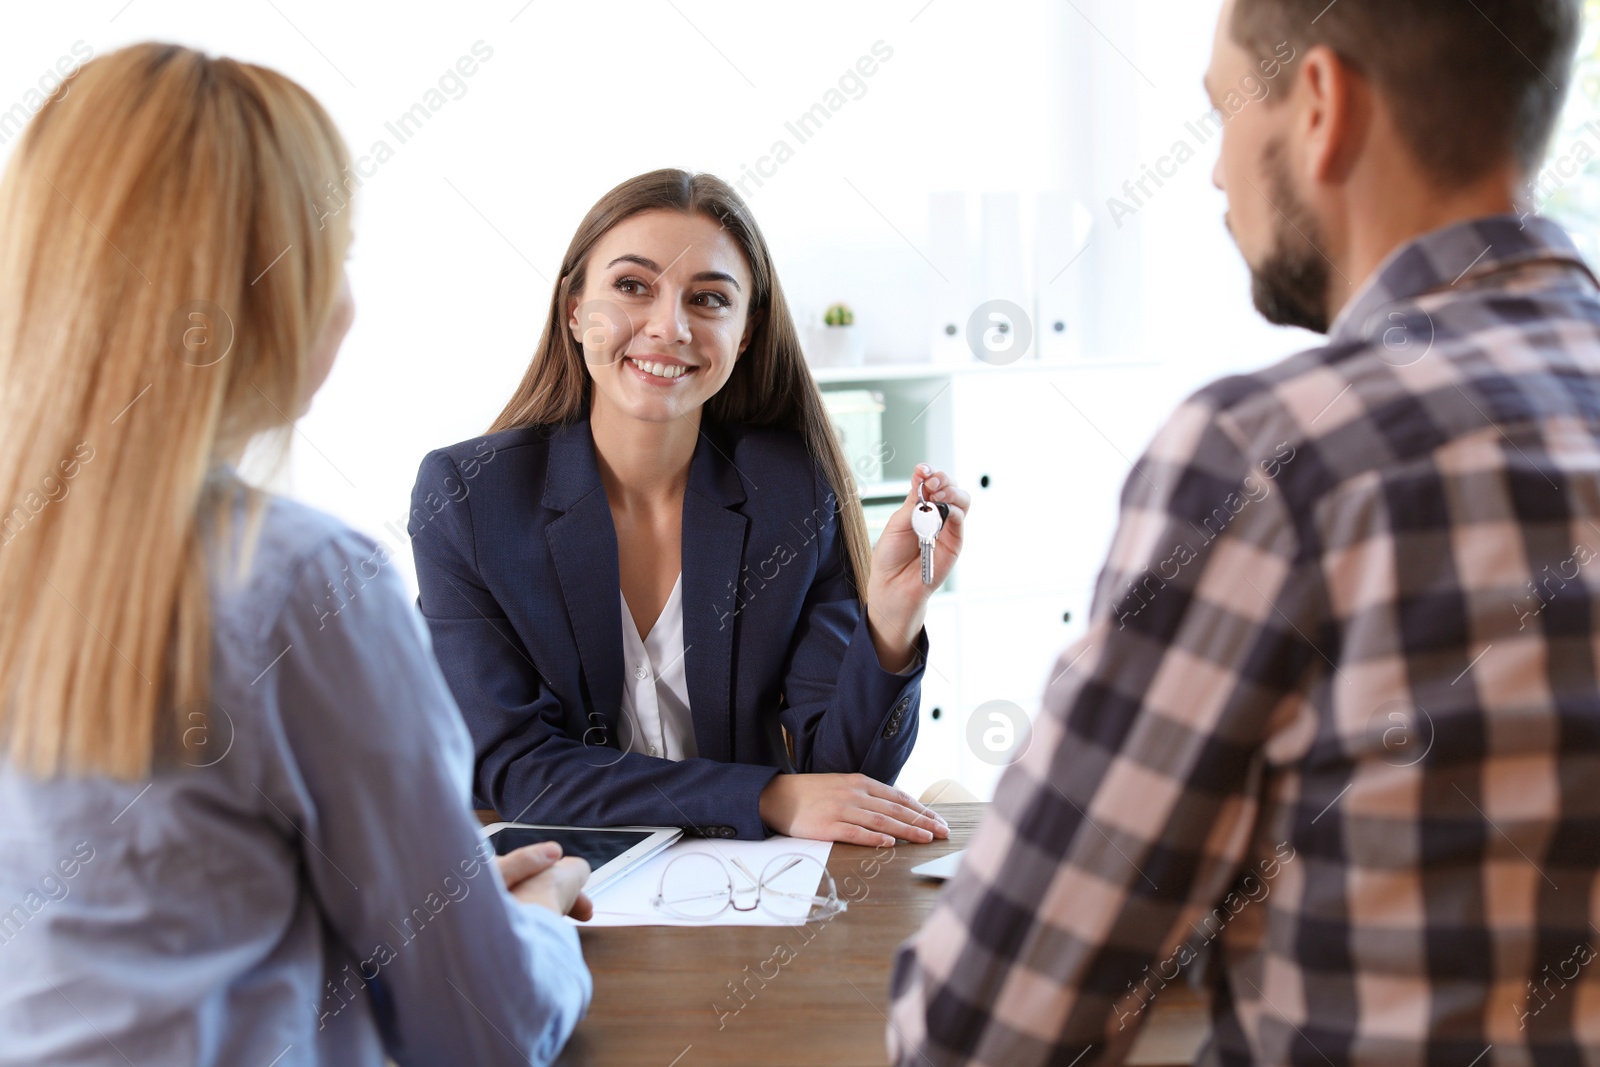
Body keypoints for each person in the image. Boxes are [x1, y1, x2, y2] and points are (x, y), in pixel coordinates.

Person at [889, 0, 1597, 1063]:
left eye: (1224, 111)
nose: (1216, 173)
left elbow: (982, 1031)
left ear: (1319, 106)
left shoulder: (1273, 457)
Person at [0, 44, 592, 1066]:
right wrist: (535, 924)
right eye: (334, 253)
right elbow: (481, 1030)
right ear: (263, 297)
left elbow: (155, 929)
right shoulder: (297, 582)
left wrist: (437, 920)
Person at [408, 169, 968, 845]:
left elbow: (844, 779)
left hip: (751, 893)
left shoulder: (790, 488)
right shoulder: (468, 498)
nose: (668, 326)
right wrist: (764, 796)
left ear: (746, 334)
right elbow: (514, 766)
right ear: (574, 311)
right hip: (569, 887)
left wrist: (891, 622)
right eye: (633, 286)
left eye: (708, 299)